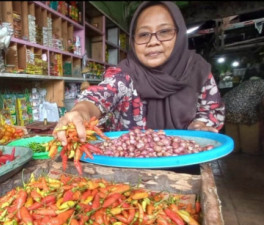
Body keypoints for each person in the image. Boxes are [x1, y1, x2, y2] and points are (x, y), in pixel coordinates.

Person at [54, 1, 225, 146]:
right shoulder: (125, 74)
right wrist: (81, 112)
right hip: (128, 171)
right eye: (143, 35)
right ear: (133, 40)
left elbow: (209, 111)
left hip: (187, 164)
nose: (153, 42)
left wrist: (199, 125)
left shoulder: (197, 70)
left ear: (179, 34)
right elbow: (101, 95)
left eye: (164, 32)